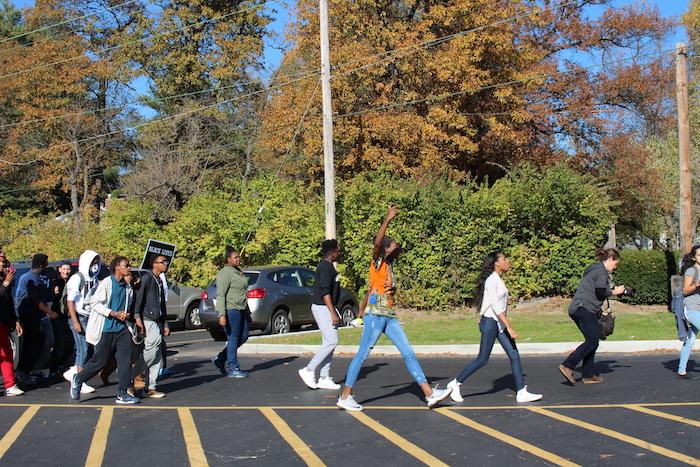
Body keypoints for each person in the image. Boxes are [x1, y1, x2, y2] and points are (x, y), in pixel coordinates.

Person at [337, 206, 451, 411]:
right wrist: (387, 219)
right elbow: (377, 243)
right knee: (362, 355)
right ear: (386, 249)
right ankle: (345, 396)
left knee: (408, 353)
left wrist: (361, 310)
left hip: (388, 314)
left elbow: (370, 291)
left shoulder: (388, 266)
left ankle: (430, 394)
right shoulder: (378, 261)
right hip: (376, 314)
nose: (398, 250)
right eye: (394, 247)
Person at [445, 252, 542, 403]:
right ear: (496, 263)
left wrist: (504, 324)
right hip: (491, 322)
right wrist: (509, 326)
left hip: (498, 323)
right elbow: (496, 307)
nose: (507, 261)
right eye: (504, 259)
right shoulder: (492, 280)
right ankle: (455, 383)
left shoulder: (497, 280)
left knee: (514, 355)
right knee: (483, 359)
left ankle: (521, 392)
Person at [70, 256, 141, 404]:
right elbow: (94, 303)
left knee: (125, 361)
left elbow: (126, 306)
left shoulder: (128, 287)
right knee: (99, 361)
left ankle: (122, 393)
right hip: (106, 328)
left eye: (129, 265)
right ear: (117, 267)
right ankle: (78, 379)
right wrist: (113, 313)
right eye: (126, 265)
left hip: (122, 329)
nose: (129, 268)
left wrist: (125, 314)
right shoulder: (107, 283)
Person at [559, 248, 626, 385]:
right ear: (610, 259)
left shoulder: (593, 269)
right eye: (615, 264)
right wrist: (616, 291)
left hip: (579, 307)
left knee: (592, 340)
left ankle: (588, 375)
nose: (615, 267)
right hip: (584, 308)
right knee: (592, 340)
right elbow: (601, 292)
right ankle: (568, 365)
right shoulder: (602, 271)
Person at [298, 239, 342, 390]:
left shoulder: (329, 267)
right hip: (322, 307)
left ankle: (324, 377)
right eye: (338, 250)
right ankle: (308, 370)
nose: (339, 252)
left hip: (327, 307)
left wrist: (334, 310)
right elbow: (324, 292)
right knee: (331, 341)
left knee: (329, 343)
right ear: (332, 252)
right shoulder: (324, 268)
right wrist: (332, 312)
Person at [63, 251, 102, 394]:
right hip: (79, 317)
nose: (95, 266)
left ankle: (74, 371)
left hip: (89, 316)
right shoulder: (76, 278)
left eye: (97, 263)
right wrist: (75, 322)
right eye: (93, 263)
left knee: (90, 348)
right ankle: (79, 380)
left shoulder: (95, 279)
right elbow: (70, 301)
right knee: (83, 349)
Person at [14, 253, 56, 384]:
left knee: (39, 343)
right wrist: (50, 312)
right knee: (31, 345)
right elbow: (36, 300)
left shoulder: (38, 277)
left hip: (36, 316)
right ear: (42, 264)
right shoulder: (30, 278)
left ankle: (29, 371)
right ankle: (22, 373)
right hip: (28, 316)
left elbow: (45, 297)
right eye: (46, 263)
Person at [132, 255, 170, 398]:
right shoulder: (147, 278)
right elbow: (139, 298)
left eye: (166, 262)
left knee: (157, 354)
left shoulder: (159, 280)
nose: (165, 264)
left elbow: (162, 304)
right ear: (154, 264)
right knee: (151, 349)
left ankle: (151, 387)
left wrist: (165, 323)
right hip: (147, 318)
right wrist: (137, 317)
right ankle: (133, 375)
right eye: (162, 262)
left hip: (158, 320)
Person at [212, 248, 250, 378]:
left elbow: (243, 292)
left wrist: (247, 311)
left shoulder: (238, 272)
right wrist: (221, 314)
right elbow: (220, 294)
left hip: (242, 309)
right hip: (231, 309)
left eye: (239, 257)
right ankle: (233, 368)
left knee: (244, 336)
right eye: (235, 257)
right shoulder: (225, 273)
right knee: (233, 337)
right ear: (228, 259)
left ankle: (220, 358)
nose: (238, 259)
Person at [0, 259, 23, 396]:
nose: (3, 264)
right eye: (1, 261)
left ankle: (10, 384)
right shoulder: (5, 281)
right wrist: (6, 283)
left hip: (3, 321)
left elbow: (8, 302)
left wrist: (15, 320)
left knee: (6, 353)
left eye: (4, 261)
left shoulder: (4, 278)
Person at [678, 245, 700, 379]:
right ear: (693, 257)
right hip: (691, 309)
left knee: (690, 340)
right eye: (699, 255)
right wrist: (697, 284)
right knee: (690, 340)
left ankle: (681, 370)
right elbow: (685, 290)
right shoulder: (691, 271)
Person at [49, 261, 74, 375]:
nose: (66, 271)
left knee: (70, 342)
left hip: (67, 315)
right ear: (59, 269)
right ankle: (53, 368)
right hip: (57, 314)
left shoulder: (72, 281)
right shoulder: (55, 281)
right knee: (60, 342)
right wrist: (54, 293)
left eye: (68, 269)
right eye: (64, 269)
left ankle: (60, 364)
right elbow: (51, 297)